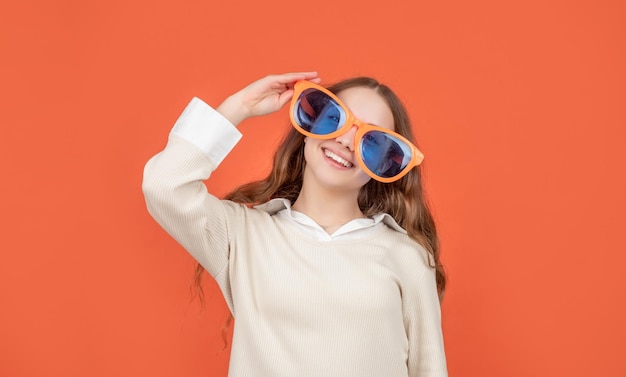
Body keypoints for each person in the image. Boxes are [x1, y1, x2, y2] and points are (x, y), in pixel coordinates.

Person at [142, 72, 448, 377]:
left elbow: (430, 370)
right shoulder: (244, 236)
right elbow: (163, 185)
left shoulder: (407, 256)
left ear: (384, 165)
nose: (345, 140)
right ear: (309, 126)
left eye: (372, 141)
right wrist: (240, 106)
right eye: (334, 118)